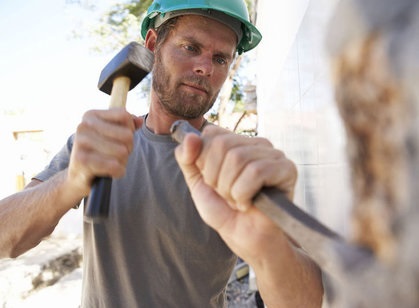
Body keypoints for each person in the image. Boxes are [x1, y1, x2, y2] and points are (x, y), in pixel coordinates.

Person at [0, 0, 323, 307]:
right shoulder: (95, 146)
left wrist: (268, 246)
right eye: (191, 47)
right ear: (153, 45)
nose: (205, 68)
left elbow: (306, 303)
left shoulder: (233, 165)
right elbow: (5, 238)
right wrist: (70, 182)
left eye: (221, 58)